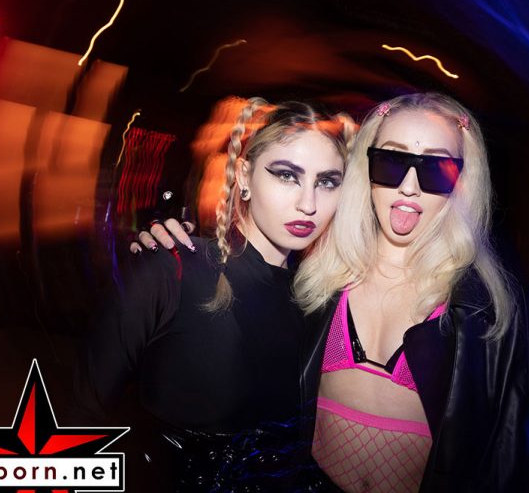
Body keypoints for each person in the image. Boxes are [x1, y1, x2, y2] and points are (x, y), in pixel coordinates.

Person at [149, 92, 527, 492]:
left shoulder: (481, 311)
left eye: (436, 170)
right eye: (392, 161)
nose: (409, 187)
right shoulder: (318, 282)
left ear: (462, 183)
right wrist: (167, 251)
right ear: (365, 168)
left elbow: (500, 453)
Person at [75, 97, 356, 492]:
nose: (308, 204)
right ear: (244, 176)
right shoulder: (170, 269)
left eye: (327, 182)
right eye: (286, 175)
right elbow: (81, 417)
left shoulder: (320, 301)